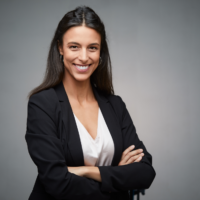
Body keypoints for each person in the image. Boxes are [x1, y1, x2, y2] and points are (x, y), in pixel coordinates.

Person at [25, 6, 156, 200]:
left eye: (92, 47)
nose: (84, 57)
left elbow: (145, 172)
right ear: (60, 48)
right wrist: (116, 179)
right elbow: (56, 181)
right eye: (74, 46)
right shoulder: (42, 104)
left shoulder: (115, 104)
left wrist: (87, 171)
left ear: (100, 51)